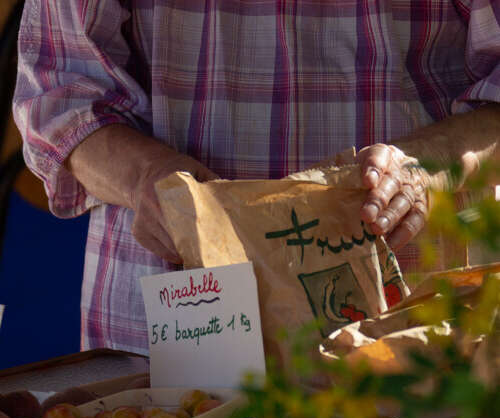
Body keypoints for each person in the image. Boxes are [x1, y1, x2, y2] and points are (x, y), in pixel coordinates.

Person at [13, 1, 500, 355]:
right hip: (174, 315)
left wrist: (423, 167)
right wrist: (144, 176)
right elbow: (61, 94)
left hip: (407, 318)